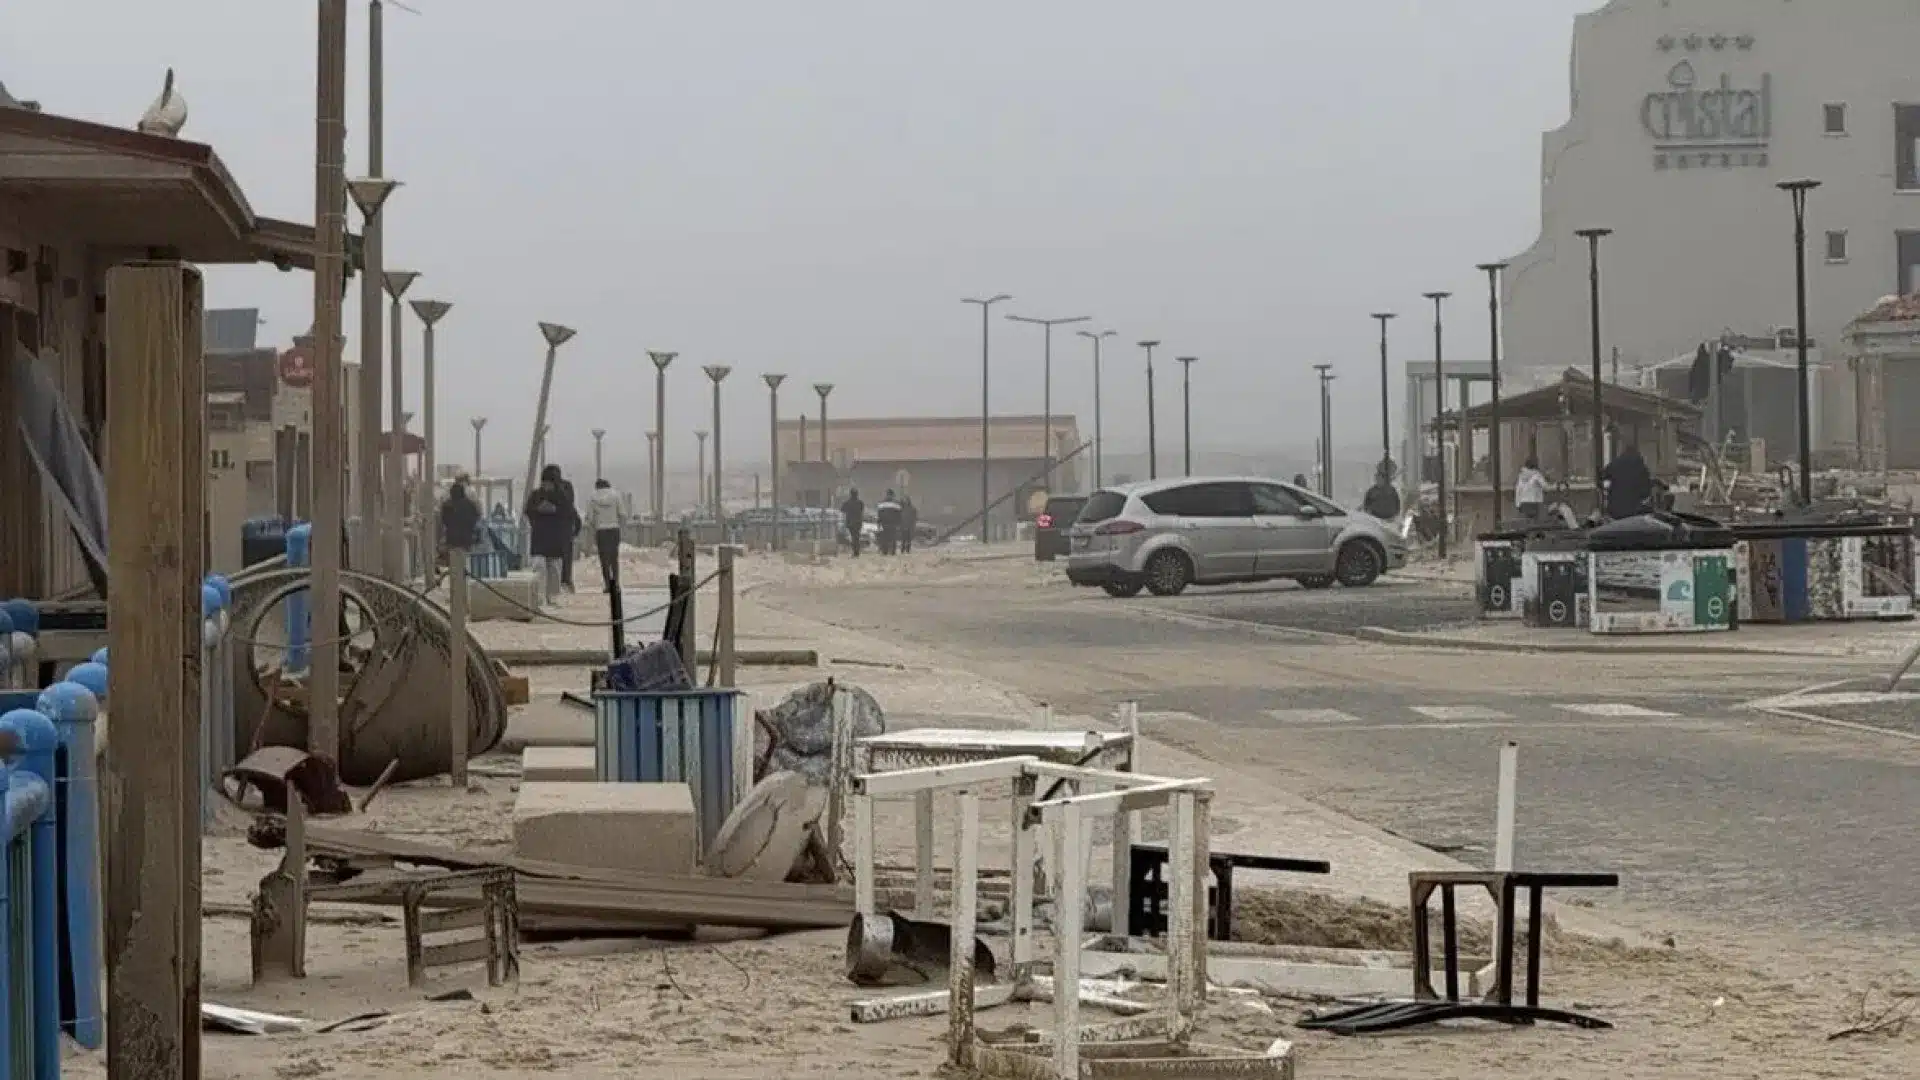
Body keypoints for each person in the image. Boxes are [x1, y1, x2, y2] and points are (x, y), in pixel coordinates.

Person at [523, 464, 575, 602]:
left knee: (554, 570)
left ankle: (553, 598)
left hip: (555, 540)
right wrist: (539, 511)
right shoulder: (536, 495)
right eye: (544, 483)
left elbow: (569, 514)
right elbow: (528, 511)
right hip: (539, 539)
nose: (546, 486)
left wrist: (554, 511)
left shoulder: (563, 497)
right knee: (538, 567)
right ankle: (539, 599)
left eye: (549, 483)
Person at [587, 477, 625, 588]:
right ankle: (616, 582)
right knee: (614, 557)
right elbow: (622, 513)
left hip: (601, 530)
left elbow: (590, 517)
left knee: (604, 558)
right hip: (614, 529)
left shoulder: (592, 497)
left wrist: (594, 525)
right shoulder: (616, 495)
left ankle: (607, 584)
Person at [1601, 440, 1652, 521]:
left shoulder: (1614, 464)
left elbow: (1604, 479)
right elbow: (1646, 490)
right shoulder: (1640, 466)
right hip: (1633, 508)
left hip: (1615, 507)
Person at [558, 474, 579, 592]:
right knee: (566, 559)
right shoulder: (569, 507)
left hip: (553, 535)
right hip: (566, 534)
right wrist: (574, 532)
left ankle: (560, 582)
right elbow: (577, 521)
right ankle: (566, 581)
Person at [1514, 456, 1548, 522]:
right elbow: (1545, 486)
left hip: (1523, 503)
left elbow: (1518, 490)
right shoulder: (1537, 475)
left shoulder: (1521, 475)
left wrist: (1517, 504)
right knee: (1536, 523)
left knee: (1527, 522)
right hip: (1534, 503)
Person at [876, 489, 903, 555]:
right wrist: (899, 523)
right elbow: (899, 515)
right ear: (893, 495)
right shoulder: (896, 504)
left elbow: (879, 514)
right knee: (892, 537)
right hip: (892, 523)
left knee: (885, 538)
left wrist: (879, 523)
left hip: (884, 523)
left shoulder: (881, 503)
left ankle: (885, 551)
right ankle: (892, 551)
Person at [841, 487, 866, 557]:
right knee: (856, 537)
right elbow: (862, 510)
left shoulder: (847, 502)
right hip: (858, 522)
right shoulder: (860, 502)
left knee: (853, 537)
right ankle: (856, 551)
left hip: (850, 522)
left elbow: (842, 510)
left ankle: (855, 551)